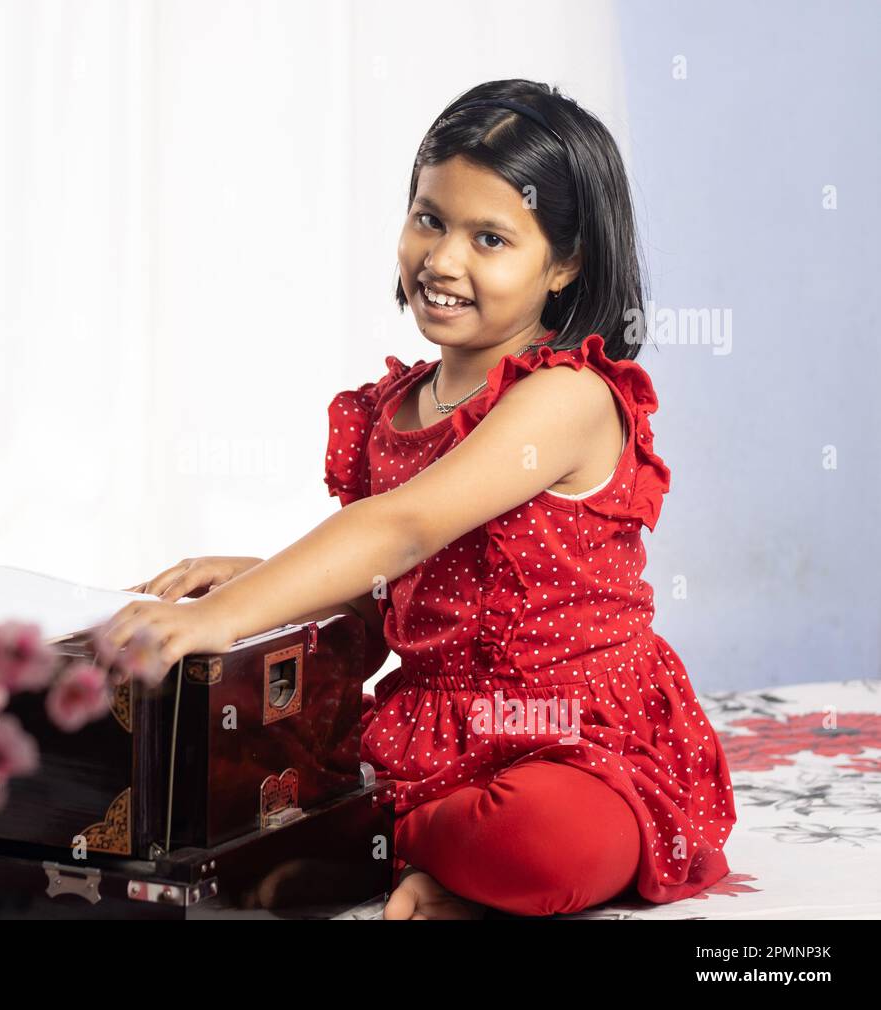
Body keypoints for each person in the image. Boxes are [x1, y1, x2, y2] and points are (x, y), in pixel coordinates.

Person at [99, 78, 736, 919]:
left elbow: (402, 528)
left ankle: (396, 843)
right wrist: (258, 585)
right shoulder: (391, 410)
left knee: (550, 840)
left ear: (565, 263)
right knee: (239, 764)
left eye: (490, 238)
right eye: (430, 218)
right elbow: (391, 593)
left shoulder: (568, 397)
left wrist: (220, 618)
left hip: (577, 735)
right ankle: (414, 851)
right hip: (441, 730)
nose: (443, 260)